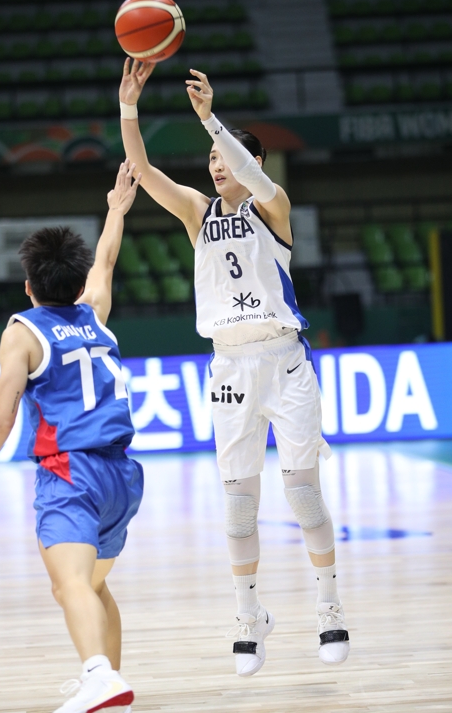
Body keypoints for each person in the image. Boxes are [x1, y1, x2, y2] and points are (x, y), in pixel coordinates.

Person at [119, 59, 350, 677]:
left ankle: (329, 607)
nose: (217, 164)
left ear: (251, 165)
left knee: (303, 495)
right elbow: (141, 170)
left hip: (284, 361)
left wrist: (210, 121)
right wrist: (128, 107)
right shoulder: (198, 213)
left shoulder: (274, 209)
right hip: (229, 368)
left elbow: (249, 171)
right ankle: (250, 619)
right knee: (239, 509)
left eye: (227, 157)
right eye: (213, 158)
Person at [0, 160, 143, 713]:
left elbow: (2, 417)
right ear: (74, 282)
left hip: (71, 472)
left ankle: (97, 676)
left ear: (29, 286)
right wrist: (115, 209)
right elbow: (106, 257)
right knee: (89, 586)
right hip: (123, 478)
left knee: (71, 587)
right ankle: (111, 683)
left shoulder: (21, 330)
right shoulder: (95, 312)